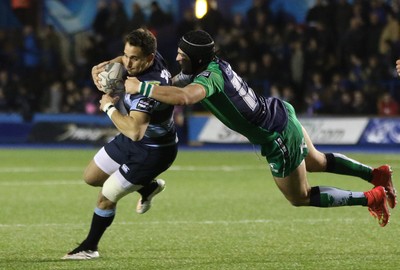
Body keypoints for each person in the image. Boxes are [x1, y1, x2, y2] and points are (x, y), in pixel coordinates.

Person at [125, 30, 396, 227]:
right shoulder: (210, 65)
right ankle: (377, 175)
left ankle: (371, 199)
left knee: (299, 197)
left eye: (181, 55)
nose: (177, 57)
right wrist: (132, 74)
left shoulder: (210, 77)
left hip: (276, 136)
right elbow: (173, 83)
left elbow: (184, 97)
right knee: (318, 161)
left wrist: (141, 87)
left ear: (195, 59)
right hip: (280, 112)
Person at [62, 29, 178, 260]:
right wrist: (107, 63)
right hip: (136, 140)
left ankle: (89, 247)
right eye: (126, 55)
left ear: (149, 59)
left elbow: (135, 131)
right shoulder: (154, 57)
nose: (128, 62)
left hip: (153, 151)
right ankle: (148, 187)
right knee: (91, 177)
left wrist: (107, 107)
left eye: (134, 58)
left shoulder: (147, 91)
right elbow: (130, 52)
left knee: (106, 196)